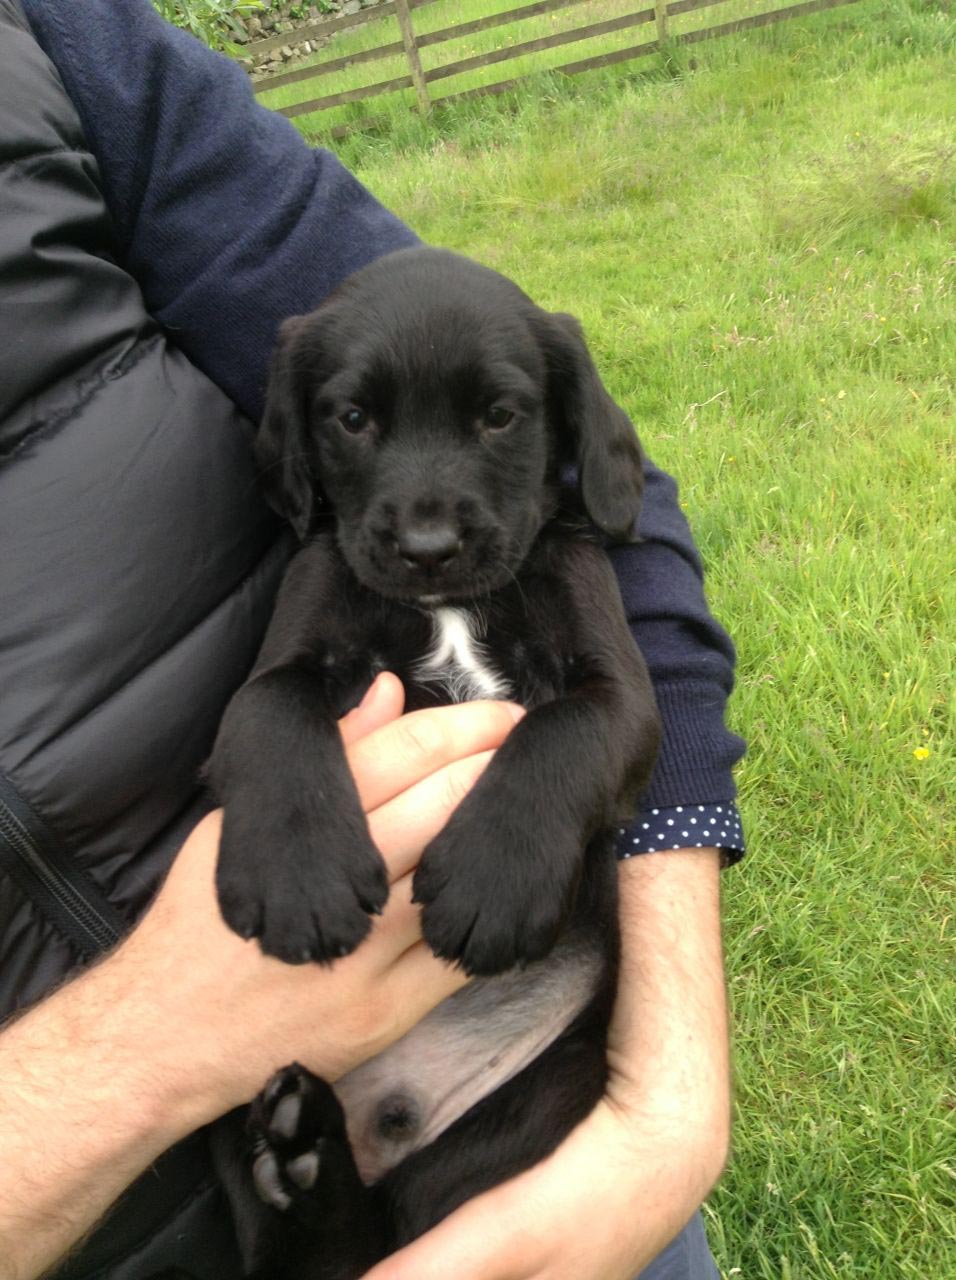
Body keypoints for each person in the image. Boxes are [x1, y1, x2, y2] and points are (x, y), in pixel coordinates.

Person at [0, 1, 745, 1277]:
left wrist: (667, 1100)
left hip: (537, 1049)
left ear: (563, 422)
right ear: (304, 435)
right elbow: (274, 701)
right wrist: (147, 1045)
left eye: (493, 422)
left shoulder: (51, 44)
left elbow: (622, 695)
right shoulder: (330, 563)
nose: (425, 515)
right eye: (358, 426)